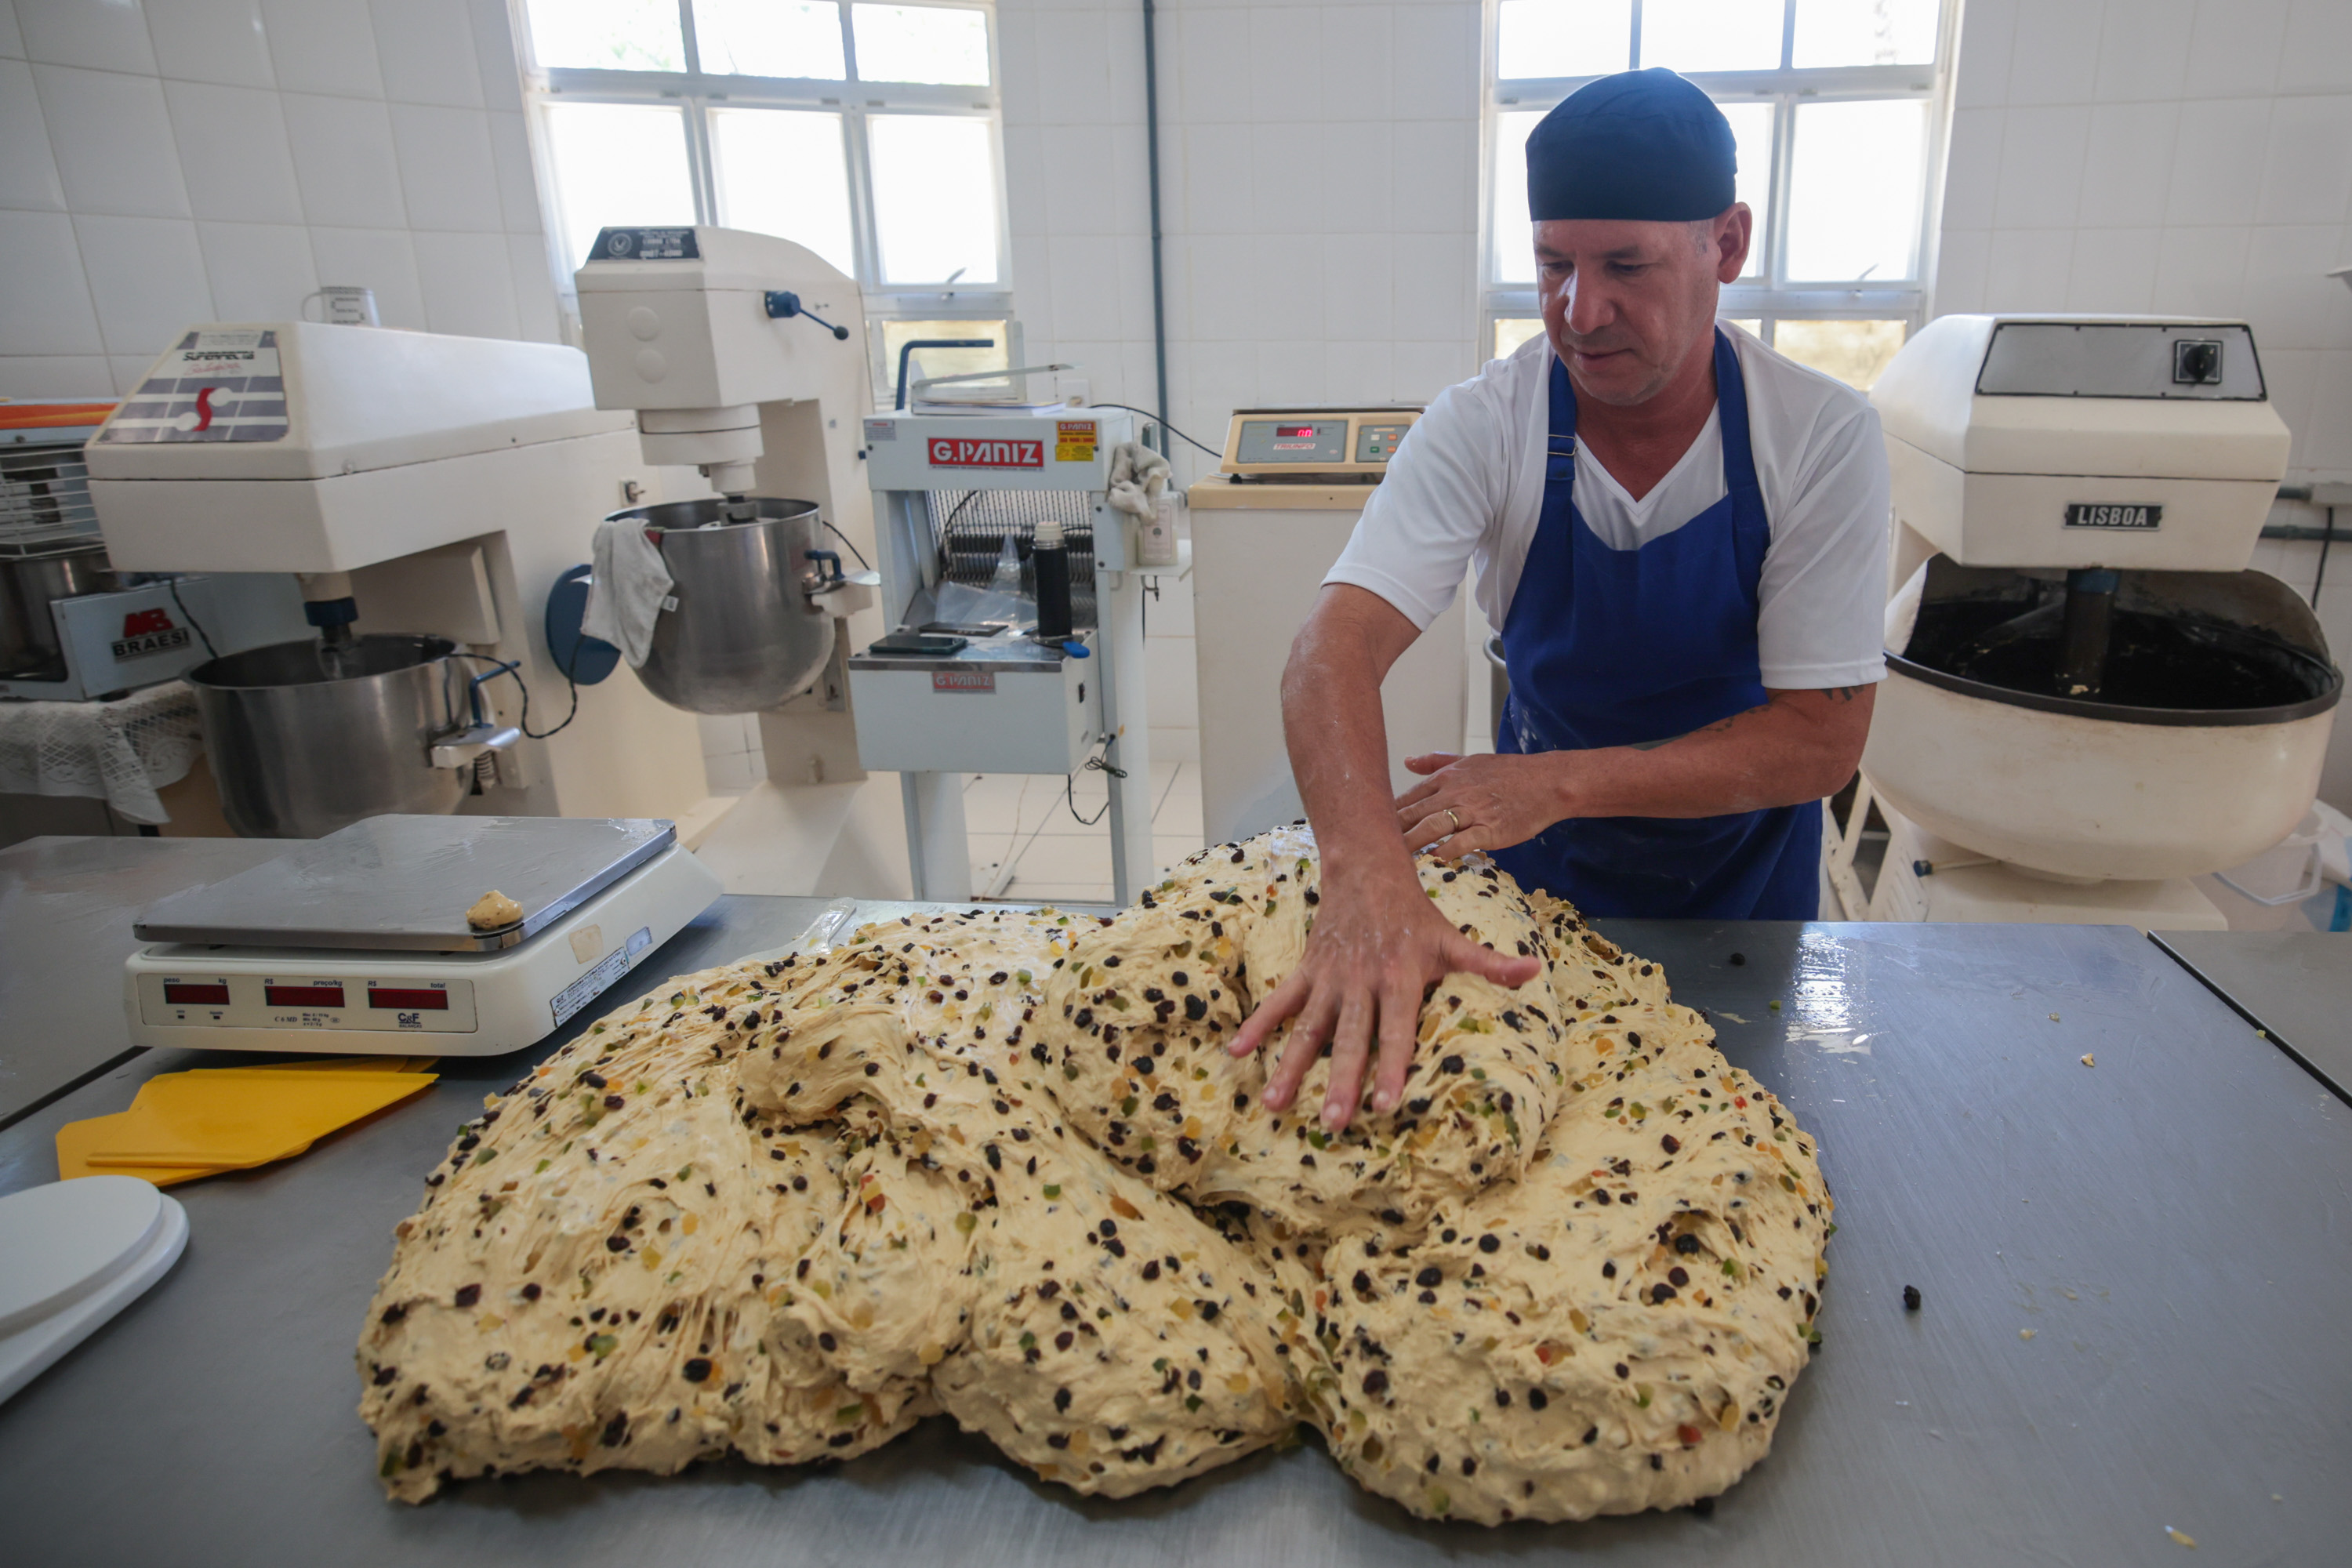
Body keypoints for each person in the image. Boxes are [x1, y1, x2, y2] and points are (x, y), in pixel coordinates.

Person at [1231, 68, 1890, 1132]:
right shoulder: (1487, 423)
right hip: (1537, 899)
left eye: (1625, 266)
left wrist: (1560, 781)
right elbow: (1332, 649)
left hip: (1744, 899)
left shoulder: (1817, 437)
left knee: (1730, 1153)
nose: (1581, 312)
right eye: (1553, 266)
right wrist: (1364, 875)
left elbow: (1820, 744)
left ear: (1727, 244)